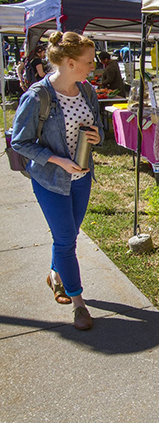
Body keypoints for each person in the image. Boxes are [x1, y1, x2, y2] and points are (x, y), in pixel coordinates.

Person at [11, 31, 104, 331]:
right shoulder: (38, 96)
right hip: (50, 180)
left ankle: (55, 275)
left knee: (68, 236)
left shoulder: (87, 92)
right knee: (66, 241)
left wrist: (98, 136)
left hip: (82, 177)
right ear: (68, 62)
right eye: (88, 62)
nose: (94, 66)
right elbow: (20, 142)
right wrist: (57, 159)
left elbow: (97, 127)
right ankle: (79, 303)